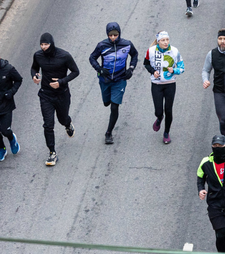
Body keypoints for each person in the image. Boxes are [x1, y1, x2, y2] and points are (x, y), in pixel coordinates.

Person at [31, 32, 79, 166]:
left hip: (61, 94)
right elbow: (34, 67)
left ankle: (68, 123)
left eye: (46, 44)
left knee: (62, 119)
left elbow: (76, 71)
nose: (43, 47)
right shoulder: (38, 55)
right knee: (48, 124)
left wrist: (61, 82)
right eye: (41, 44)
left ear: (52, 44)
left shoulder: (64, 56)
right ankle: (52, 153)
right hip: (46, 94)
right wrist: (34, 76)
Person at [89, 22, 138, 145]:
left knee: (114, 107)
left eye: (115, 35)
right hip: (105, 80)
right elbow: (92, 57)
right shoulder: (102, 45)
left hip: (119, 79)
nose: (113, 38)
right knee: (106, 103)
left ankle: (108, 133)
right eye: (110, 35)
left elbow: (135, 55)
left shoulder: (127, 44)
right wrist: (99, 69)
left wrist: (131, 68)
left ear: (119, 34)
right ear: (107, 35)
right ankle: (108, 99)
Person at [144, 31, 184, 144]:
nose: (166, 42)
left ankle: (166, 133)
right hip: (156, 84)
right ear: (158, 41)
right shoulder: (151, 51)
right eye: (163, 40)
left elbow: (182, 67)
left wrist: (174, 70)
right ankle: (159, 118)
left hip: (170, 84)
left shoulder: (174, 51)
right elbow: (146, 64)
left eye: (167, 40)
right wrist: (153, 71)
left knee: (169, 110)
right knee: (158, 111)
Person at [0, 58, 23, 162]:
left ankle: (11, 138)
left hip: (5, 104)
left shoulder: (8, 69)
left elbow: (18, 80)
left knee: (5, 130)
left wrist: (11, 92)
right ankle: (2, 148)